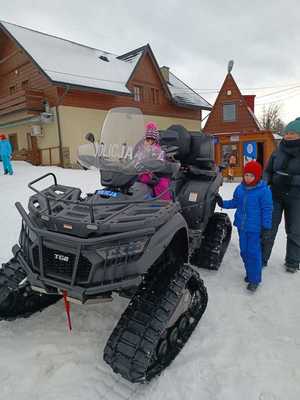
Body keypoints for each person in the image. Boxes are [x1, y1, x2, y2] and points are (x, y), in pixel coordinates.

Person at [216, 161, 273, 292]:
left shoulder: (264, 191)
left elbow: (267, 209)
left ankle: (255, 279)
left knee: (253, 253)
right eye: (246, 175)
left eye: (251, 175)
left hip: (255, 229)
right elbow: (235, 202)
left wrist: (266, 227)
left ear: (257, 176)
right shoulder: (240, 189)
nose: (248, 178)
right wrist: (222, 203)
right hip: (242, 227)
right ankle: (250, 273)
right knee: (244, 252)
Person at [262, 117, 300, 273]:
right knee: (268, 228)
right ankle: (262, 258)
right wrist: (264, 182)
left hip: (296, 198)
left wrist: (292, 179)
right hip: (275, 195)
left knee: (295, 231)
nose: (289, 136)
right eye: (287, 133)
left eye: (293, 133)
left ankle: (292, 261)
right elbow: (267, 170)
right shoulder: (278, 150)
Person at [137, 122, 171, 201]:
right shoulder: (140, 149)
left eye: (152, 140)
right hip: (140, 175)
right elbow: (135, 160)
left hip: (155, 175)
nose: (149, 142)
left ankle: (163, 204)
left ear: (156, 140)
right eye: (147, 139)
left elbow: (160, 162)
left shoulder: (159, 151)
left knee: (162, 184)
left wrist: (152, 167)